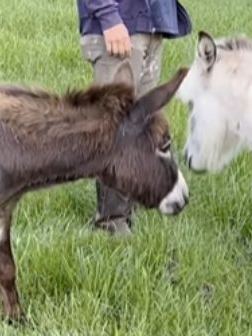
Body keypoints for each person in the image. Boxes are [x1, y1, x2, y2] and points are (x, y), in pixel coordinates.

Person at [77, 0, 192, 235]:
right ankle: (112, 221)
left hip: (150, 23)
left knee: (142, 127)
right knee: (116, 127)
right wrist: (108, 16)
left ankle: (127, 207)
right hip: (120, 23)